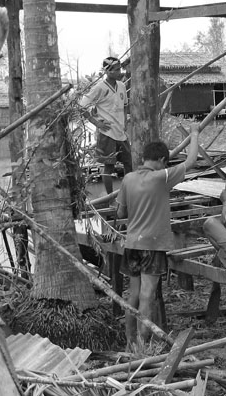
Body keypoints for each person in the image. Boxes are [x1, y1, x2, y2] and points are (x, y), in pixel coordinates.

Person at [117, 124, 199, 348]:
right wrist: (194, 134)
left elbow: (121, 212)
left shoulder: (128, 179)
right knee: (147, 296)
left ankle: (129, 341)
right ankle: (142, 346)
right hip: (152, 245)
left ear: (143, 158)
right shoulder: (162, 177)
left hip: (132, 243)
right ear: (163, 161)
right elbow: (191, 161)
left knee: (132, 295)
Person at [80, 57, 132, 194]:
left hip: (121, 131)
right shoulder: (100, 88)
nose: (119, 72)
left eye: (119, 69)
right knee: (109, 166)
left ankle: (128, 193)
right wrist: (95, 122)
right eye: (115, 70)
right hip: (107, 133)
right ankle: (109, 196)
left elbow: (125, 105)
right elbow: (81, 106)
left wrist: (125, 120)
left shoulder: (121, 85)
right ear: (107, 72)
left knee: (129, 163)